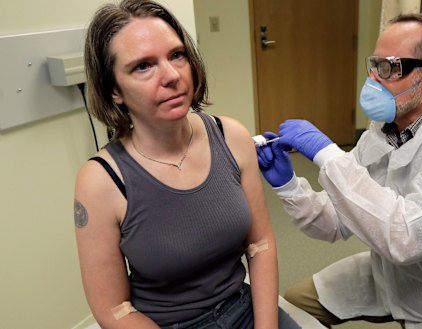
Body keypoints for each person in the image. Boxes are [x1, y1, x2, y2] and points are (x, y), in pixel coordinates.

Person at [257, 14, 422, 329]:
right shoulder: (384, 129)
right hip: (396, 276)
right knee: (294, 305)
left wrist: (329, 156)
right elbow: (334, 222)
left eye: (388, 68)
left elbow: (409, 238)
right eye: (373, 65)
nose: (372, 79)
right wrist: (290, 186)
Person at [73, 1, 300, 328]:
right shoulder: (100, 181)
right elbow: (114, 309)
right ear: (114, 90)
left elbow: (260, 245)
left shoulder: (230, 136)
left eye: (176, 55)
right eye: (143, 66)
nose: (171, 76)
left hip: (243, 306)